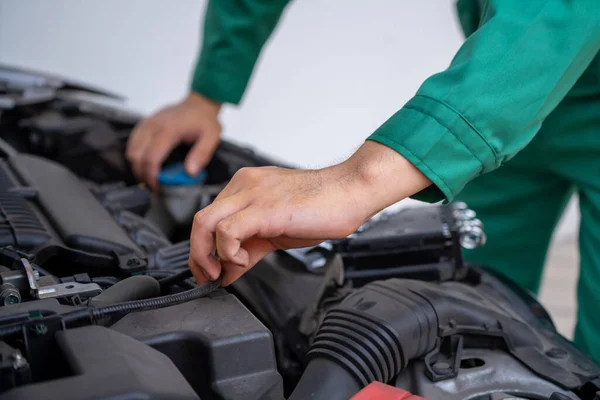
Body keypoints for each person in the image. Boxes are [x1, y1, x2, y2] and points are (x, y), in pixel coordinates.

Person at [126, 0, 600, 360]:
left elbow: (552, 16)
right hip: (505, 107)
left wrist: (357, 181)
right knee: (484, 314)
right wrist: (207, 91)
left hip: (511, 84)